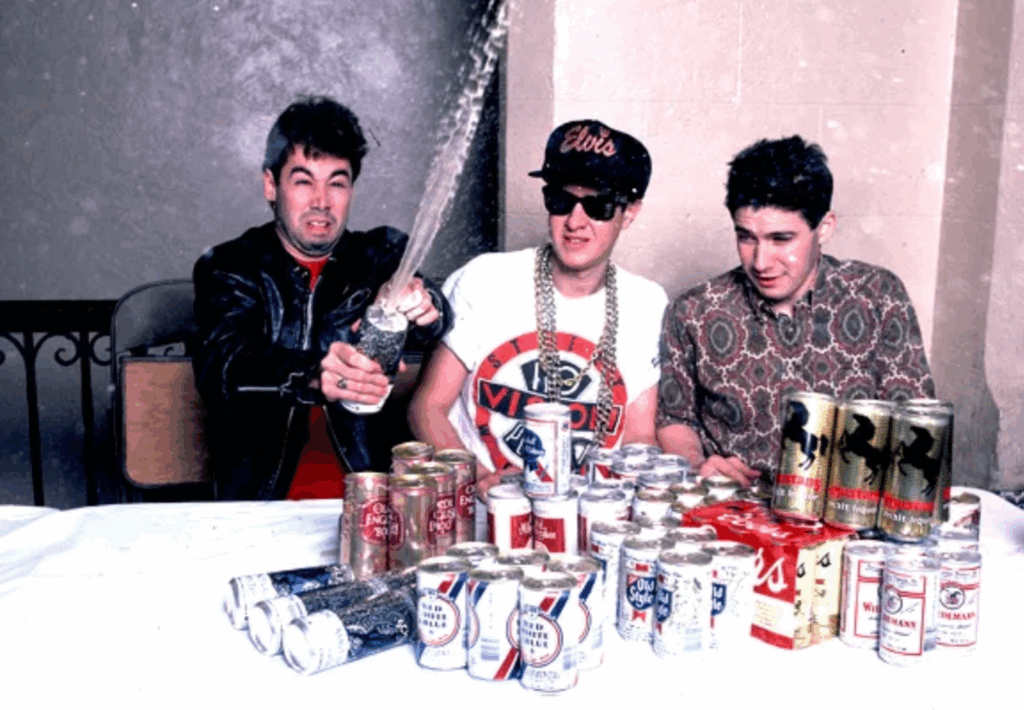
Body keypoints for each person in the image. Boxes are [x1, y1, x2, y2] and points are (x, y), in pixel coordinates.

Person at [193, 96, 451, 500]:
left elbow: (436, 317)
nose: (321, 201)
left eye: (337, 182)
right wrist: (314, 374)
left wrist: (421, 302)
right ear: (270, 185)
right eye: (303, 181)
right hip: (262, 509)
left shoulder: (379, 253)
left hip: (368, 506)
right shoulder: (230, 266)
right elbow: (224, 364)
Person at [408, 119, 668, 500]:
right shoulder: (485, 279)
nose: (575, 222)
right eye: (560, 200)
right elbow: (426, 407)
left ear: (629, 213)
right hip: (482, 508)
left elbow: (639, 435)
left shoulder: (646, 302)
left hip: (587, 514)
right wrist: (480, 479)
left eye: (597, 205)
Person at [657, 135, 935, 486]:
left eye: (781, 239)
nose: (760, 262)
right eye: (746, 237)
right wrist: (697, 464)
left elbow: (916, 420)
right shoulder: (694, 311)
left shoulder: (878, 296)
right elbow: (674, 418)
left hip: (851, 512)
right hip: (735, 514)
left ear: (825, 228)